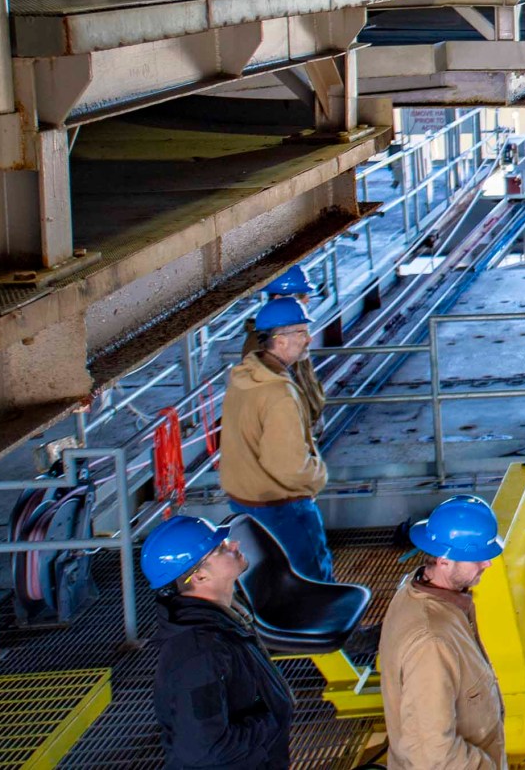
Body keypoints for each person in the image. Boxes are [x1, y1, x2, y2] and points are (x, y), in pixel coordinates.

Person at [143, 516, 293, 769]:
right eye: (221, 547)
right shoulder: (199, 652)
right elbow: (204, 749)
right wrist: (271, 720)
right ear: (199, 578)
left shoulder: (223, 619)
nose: (234, 544)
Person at [381, 496, 507, 770]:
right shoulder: (432, 643)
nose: (487, 564)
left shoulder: (418, 591)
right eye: (476, 558)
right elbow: (433, 754)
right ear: (444, 561)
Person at [219, 294, 334, 582]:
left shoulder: (246, 375)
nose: (308, 340)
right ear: (280, 340)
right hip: (281, 505)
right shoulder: (279, 394)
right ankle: (326, 626)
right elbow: (288, 466)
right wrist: (318, 477)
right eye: (302, 333)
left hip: (246, 499)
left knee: (268, 580)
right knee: (311, 581)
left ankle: (278, 625)